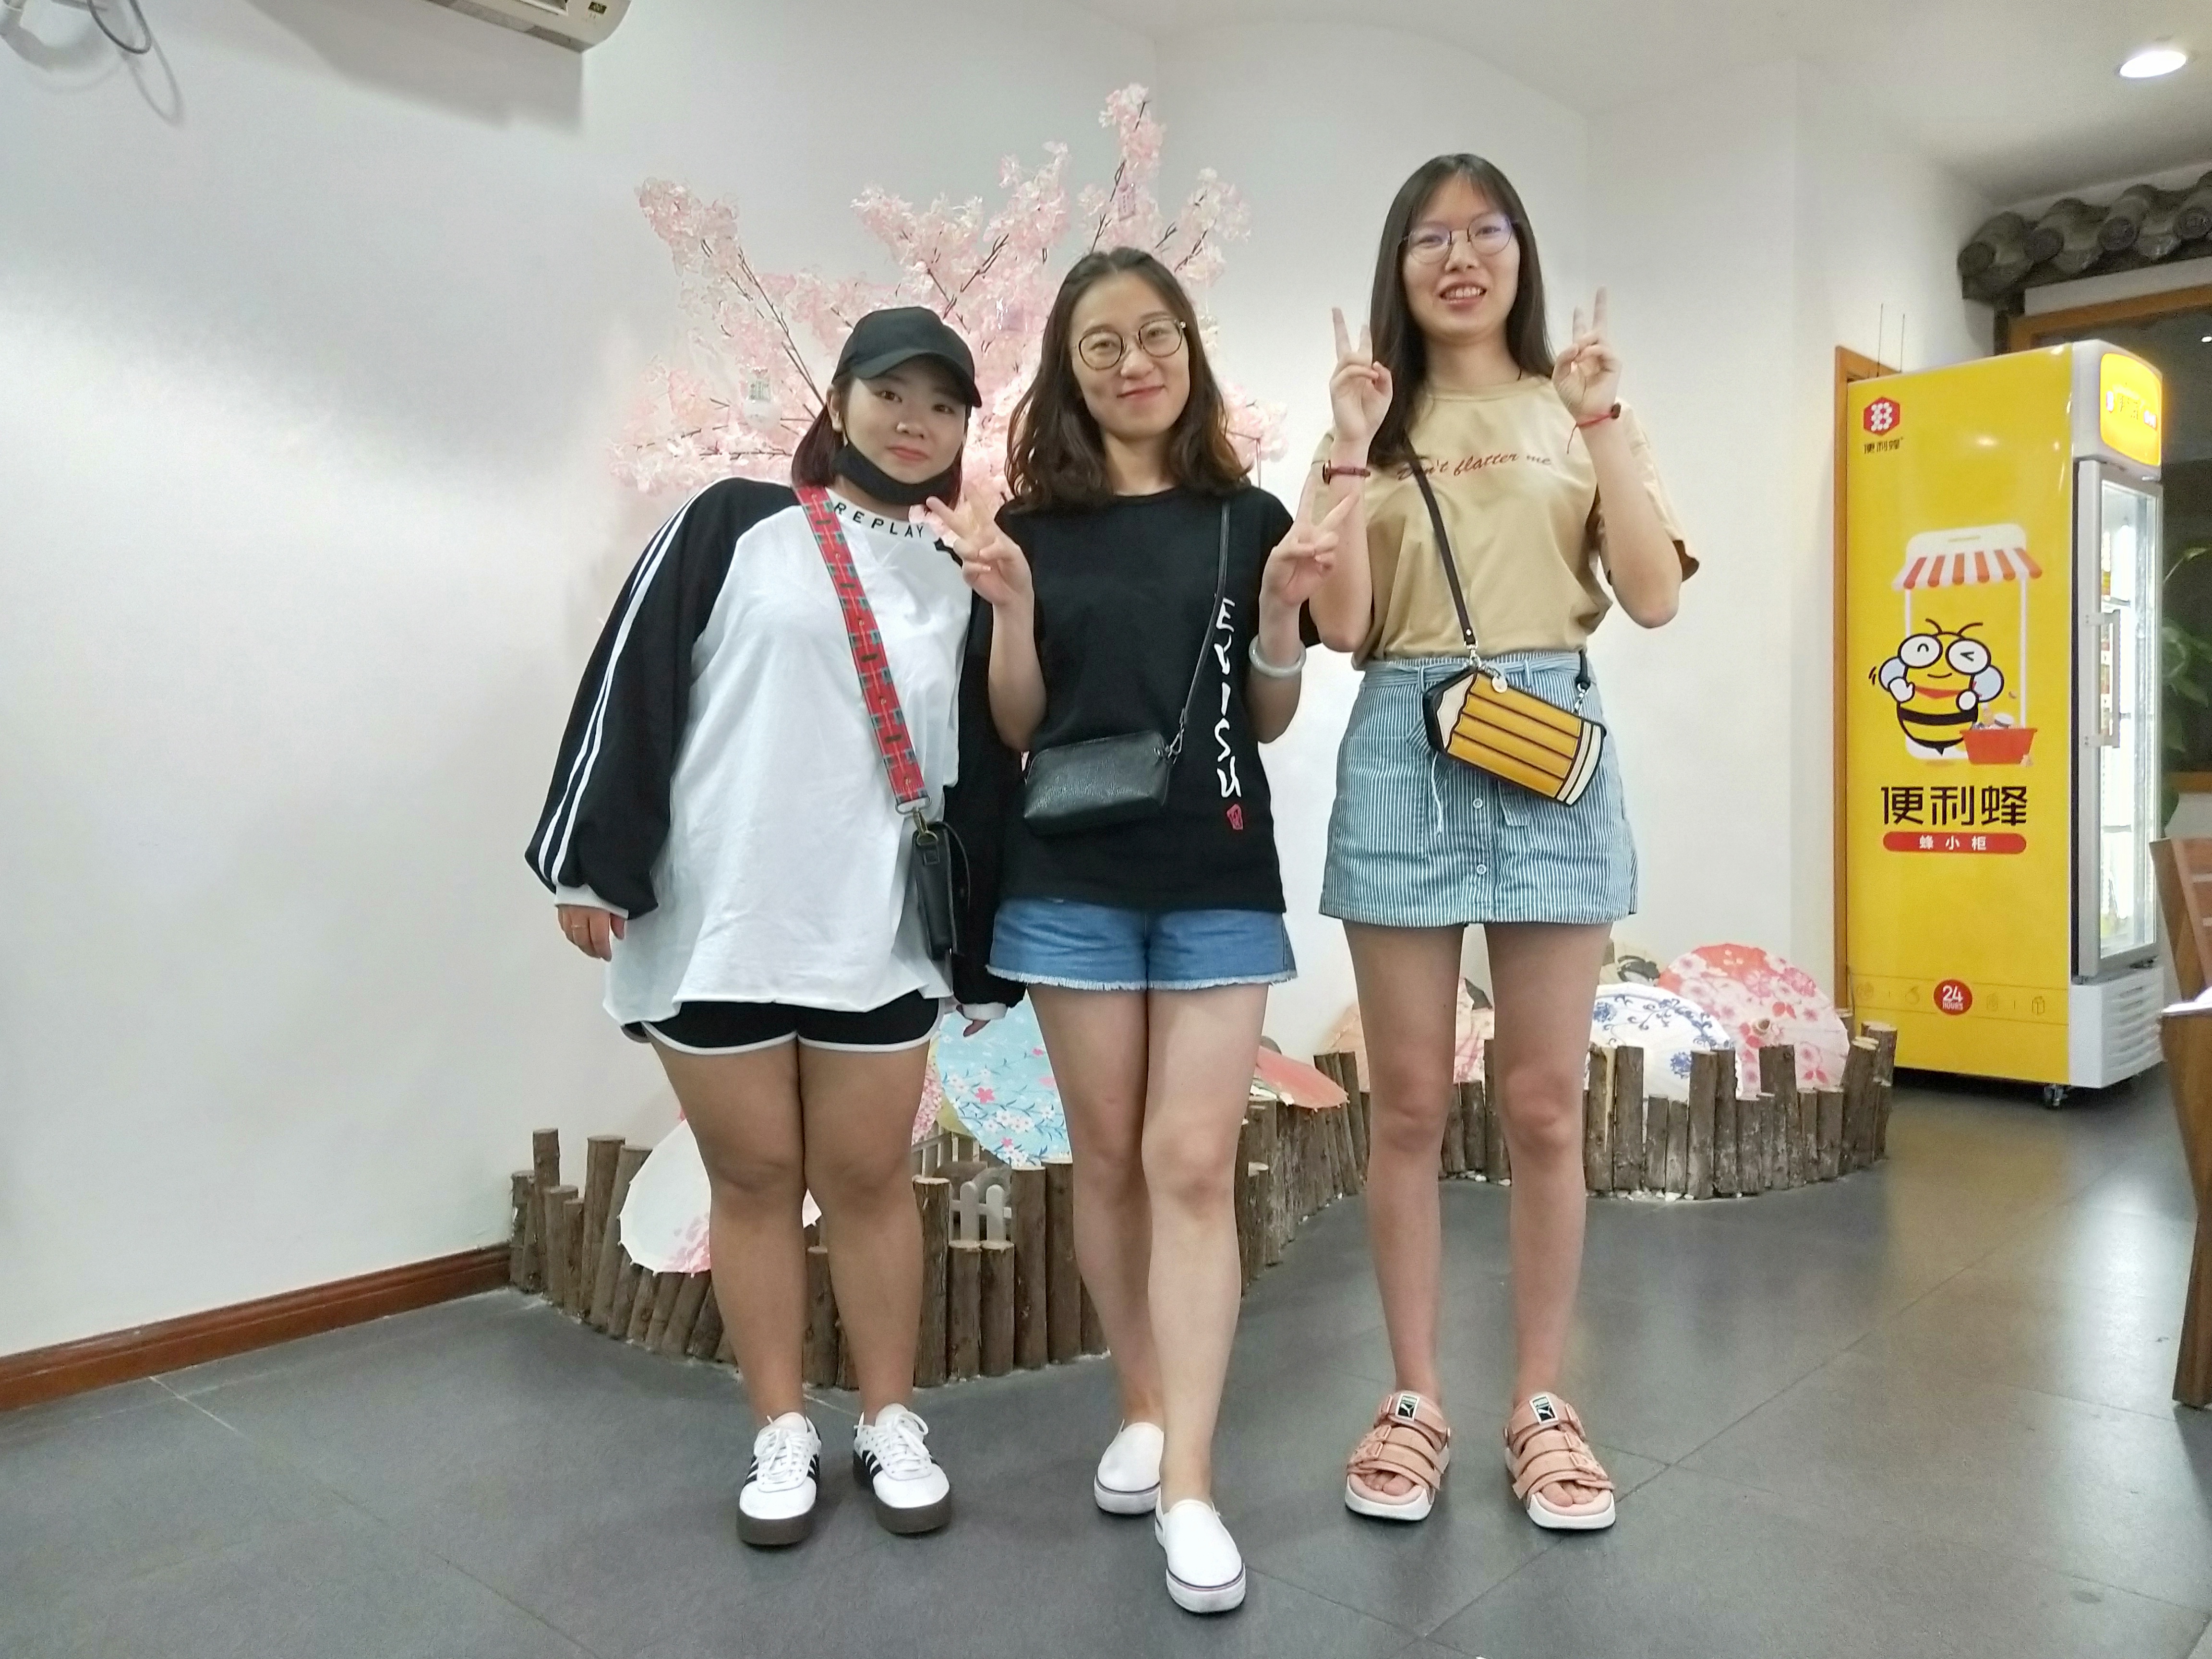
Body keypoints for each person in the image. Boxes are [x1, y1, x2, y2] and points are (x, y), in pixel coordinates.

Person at [526, 307, 1021, 1549]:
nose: (914, 421)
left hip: (873, 931)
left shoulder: (963, 574)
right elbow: (633, 685)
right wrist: (592, 862)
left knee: (868, 1181)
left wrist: (983, 951)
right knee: (752, 1182)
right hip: (723, 919)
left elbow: (984, 767)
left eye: (943, 405)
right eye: (891, 393)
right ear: (839, 401)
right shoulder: (732, 523)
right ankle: (781, 1426)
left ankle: (890, 1417)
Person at [925, 248, 1348, 1613]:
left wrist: (1277, 611)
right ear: (1070, 370)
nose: (1134, 363)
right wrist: (1009, 608)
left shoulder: (1247, 516)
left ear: (1190, 351)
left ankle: (1192, 1488)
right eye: (1101, 344)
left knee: (1189, 1164)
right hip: (1069, 883)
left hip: (1216, 874)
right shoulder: (1032, 530)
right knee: (1106, 1160)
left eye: (1155, 334)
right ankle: (1145, 1405)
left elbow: (1266, 715)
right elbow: (1016, 724)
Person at [1303, 156, 1694, 1531]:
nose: (1459, 257)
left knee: (1541, 1105)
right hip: (1403, 743)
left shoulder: (1571, 409)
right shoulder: (1371, 416)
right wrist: (1347, 447)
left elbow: (1652, 593)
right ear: (1396, 266)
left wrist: (1603, 421)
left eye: (1486, 233)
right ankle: (1414, 1398)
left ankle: (1542, 1402)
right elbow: (1343, 625)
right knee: (1408, 1104)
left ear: (1521, 254)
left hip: (1548, 742)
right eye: (1430, 237)